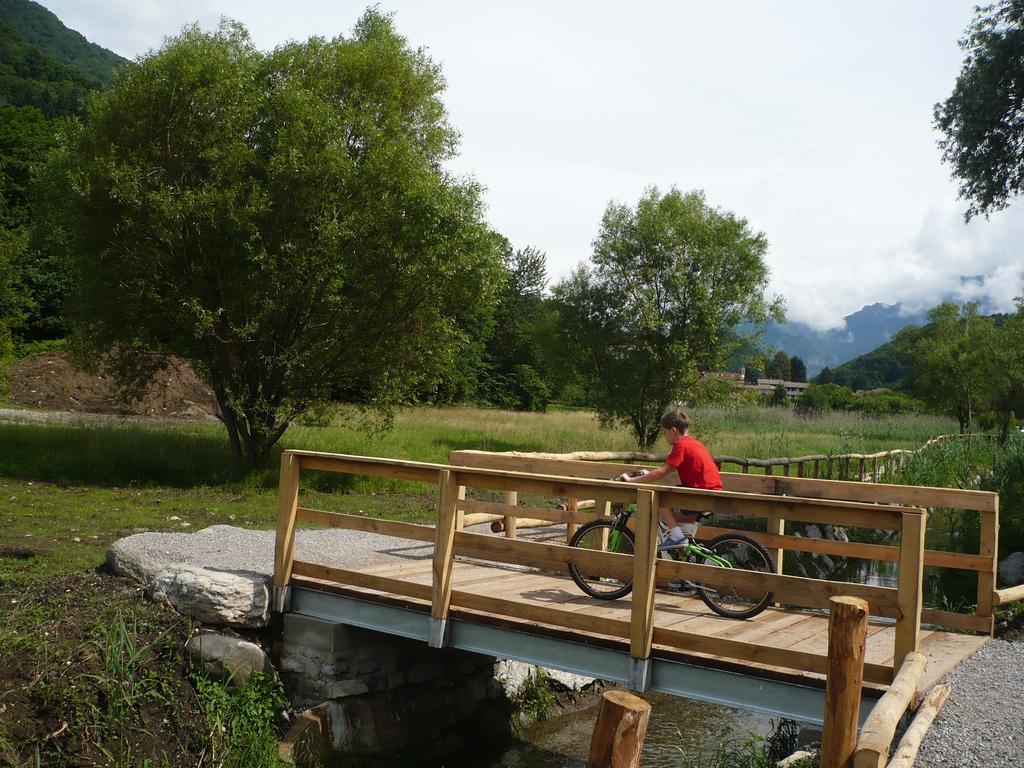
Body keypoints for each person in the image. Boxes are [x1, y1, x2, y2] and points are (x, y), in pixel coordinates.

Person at [618, 409, 722, 548]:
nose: (664, 436)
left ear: (673, 430)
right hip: (708, 491)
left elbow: (662, 472)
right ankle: (680, 545)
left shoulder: (681, 446)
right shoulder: (692, 443)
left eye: (664, 432)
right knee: (676, 523)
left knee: (660, 499)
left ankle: (677, 537)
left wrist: (632, 481)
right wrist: (647, 473)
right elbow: (667, 468)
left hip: (702, 492)